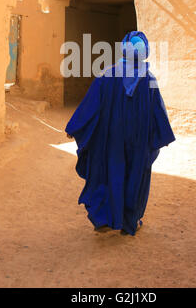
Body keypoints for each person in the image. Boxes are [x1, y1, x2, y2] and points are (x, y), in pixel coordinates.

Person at [65, 31, 175, 236]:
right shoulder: (149, 79)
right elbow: (157, 111)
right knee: (135, 176)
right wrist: (161, 135)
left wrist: (75, 127)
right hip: (139, 140)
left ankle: (103, 217)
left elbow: (91, 105)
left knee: (109, 173)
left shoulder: (108, 75)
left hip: (112, 137)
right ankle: (129, 220)